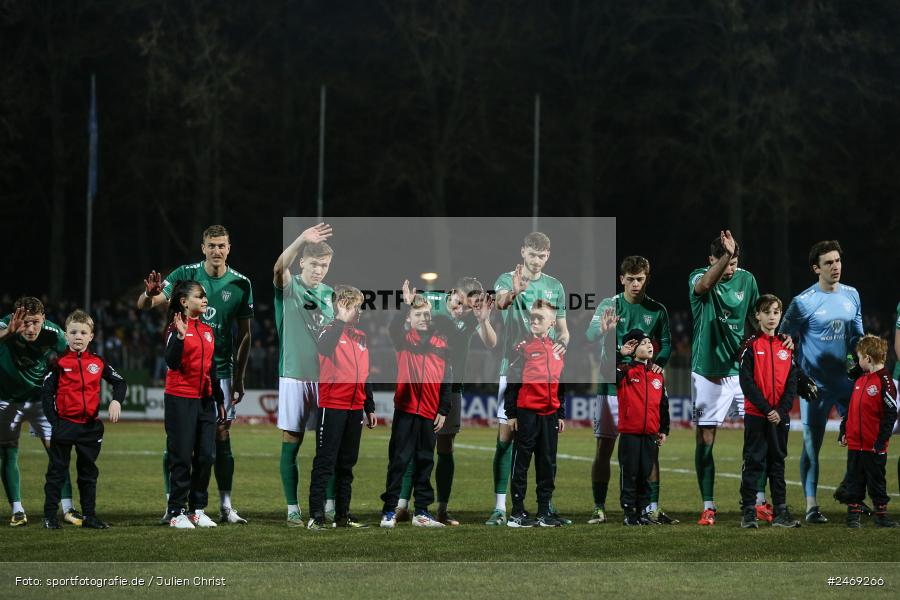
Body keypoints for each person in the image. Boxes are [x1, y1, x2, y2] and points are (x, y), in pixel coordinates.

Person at [138, 224, 253, 525]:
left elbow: (245, 334)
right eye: (211, 245)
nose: (217, 250)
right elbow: (149, 304)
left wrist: (239, 377)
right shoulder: (184, 275)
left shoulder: (241, 284)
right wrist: (148, 296)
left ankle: (224, 506)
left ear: (229, 248)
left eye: (222, 245)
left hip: (219, 372)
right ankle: (172, 505)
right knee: (178, 442)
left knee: (219, 439)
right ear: (203, 247)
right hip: (186, 371)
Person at [394, 277, 496, 526]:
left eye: (469, 304)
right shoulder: (433, 302)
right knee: (413, 444)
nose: (464, 308)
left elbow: (491, 343)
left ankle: (441, 509)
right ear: (452, 294)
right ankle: (401, 506)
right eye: (461, 302)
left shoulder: (473, 317)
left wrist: (484, 320)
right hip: (422, 383)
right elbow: (408, 324)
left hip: (451, 387)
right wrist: (407, 305)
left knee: (445, 446)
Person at [486, 232, 569, 527]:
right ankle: (501, 506)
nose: (537, 261)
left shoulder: (555, 286)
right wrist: (516, 292)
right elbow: (500, 304)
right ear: (523, 252)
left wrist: (562, 342)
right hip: (515, 369)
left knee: (546, 449)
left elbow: (563, 329)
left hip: (543, 375)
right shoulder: (507, 279)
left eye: (543, 256)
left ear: (548, 256)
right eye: (533, 255)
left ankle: (545, 506)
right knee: (507, 438)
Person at [585, 255, 674, 524]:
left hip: (644, 388)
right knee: (605, 447)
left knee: (651, 447)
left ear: (646, 279)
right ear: (621, 279)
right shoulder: (608, 305)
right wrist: (602, 333)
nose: (636, 284)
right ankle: (599, 507)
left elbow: (667, 342)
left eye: (640, 278)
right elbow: (589, 338)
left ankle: (651, 507)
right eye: (631, 279)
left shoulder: (657, 310)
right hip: (612, 386)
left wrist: (659, 363)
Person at [779, 240, 864, 523]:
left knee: (863, 440)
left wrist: (856, 362)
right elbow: (782, 342)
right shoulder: (803, 302)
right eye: (828, 263)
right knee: (811, 446)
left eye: (837, 261)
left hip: (846, 383)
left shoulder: (852, 296)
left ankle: (852, 494)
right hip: (814, 387)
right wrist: (798, 377)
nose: (835, 266)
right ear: (816, 268)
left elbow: (857, 339)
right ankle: (811, 506)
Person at [689, 230, 760, 526]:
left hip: (741, 371)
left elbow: (757, 319)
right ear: (712, 260)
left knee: (758, 435)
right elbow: (705, 285)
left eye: (734, 262)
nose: (731, 269)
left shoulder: (748, 280)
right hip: (707, 372)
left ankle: (758, 500)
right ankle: (708, 504)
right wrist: (725, 257)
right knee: (706, 437)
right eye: (725, 262)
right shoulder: (698, 276)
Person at [273, 223, 336, 526]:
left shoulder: (331, 294)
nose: (319, 270)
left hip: (326, 379)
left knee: (329, 444)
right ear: (302, 263)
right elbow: (277, 268)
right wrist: (300, 239)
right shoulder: (290, 286)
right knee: (292, 439)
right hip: (294, 375)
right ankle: (292, 509)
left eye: (324, 265)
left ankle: (330, 504)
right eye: (314, 264)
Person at [42, 310, 126, 529]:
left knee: (88, 474)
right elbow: (46, 394)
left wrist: (116, 401)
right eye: (73, 332)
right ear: (66, 336)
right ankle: (50, 516)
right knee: (56, 472)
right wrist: (55, 422)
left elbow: (120, 382)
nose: (78, 336)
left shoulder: (97, 362)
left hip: (90, 427)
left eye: (83, 332)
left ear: (91, 336)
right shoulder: (57, 363)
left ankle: (89, 516)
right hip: (65, 425)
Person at [0, 297, 78, 527]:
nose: (31, 328)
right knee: (8, 452)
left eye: (35, 322)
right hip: (6, 399)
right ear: (16, 318)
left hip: (39, 400)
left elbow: (74, 358)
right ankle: (17, 510)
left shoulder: (53, 332)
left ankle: (68, 508)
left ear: (43, 318)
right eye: (25, 323)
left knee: (58, 453)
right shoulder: (5, 324)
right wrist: (8, 332)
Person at [306, 286, 377, 530]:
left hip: (355, 407)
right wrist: (339, 320)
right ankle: (316, 516)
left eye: (359, 306)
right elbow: (324, 349)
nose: (359, 311)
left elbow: (364, 375)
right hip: (332, 405)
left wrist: (369, 405)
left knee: (347, 464)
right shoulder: (328, 330)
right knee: (325, 462)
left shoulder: (361, 336)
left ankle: (342, 516)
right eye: (356, 306)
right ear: (342, 305)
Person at [379, 292, 451, 529]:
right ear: (409, 318)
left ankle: (421, 512)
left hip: (430, 412)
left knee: (425, 461)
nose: (424, 318)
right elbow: (392, 325)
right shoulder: (402, 338)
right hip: (406, 409)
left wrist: (443, 408)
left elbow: (447, 378)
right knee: (398, 461)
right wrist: (407, 304)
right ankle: (389, 511)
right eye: (418, 314)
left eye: (427, 314)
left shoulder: (442, 341)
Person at [161, 281, 226, 529]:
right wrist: (179, 335)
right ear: (184, 302)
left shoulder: (208, 330)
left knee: (206, 456)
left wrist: (219, 399)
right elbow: (171, 362)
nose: (205, 299)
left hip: (205, 400)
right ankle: (176, 511)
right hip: (180, 399)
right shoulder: (174, 329)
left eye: (205, 295)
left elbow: (211, 368)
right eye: (199, 296)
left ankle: (197, 509)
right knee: (181, 456)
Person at [737, 295, 801, 529]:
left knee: (777, 463)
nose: (772, 316)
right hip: (757, 414)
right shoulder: (750, 345)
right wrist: (767, 409)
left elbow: (792, 382)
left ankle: (781, 511)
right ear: (758, 315)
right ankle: (748, 511)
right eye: (767, 312)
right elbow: (746, 382)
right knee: (753, 461)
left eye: (776, 312)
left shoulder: (787, 346)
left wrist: (781, 410)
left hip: (779, 416)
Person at [505, 299, 566, 528]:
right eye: (533, 317)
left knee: (547, 464)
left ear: (551, 322)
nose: (535, 320)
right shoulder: (522, 348)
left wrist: (560, 413)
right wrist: (511, 413)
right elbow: (513, 384)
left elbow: (561, 385)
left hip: (550, 415)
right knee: (521, 464)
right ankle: (517, 513)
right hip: (527, 413)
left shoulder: (558, 350)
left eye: (540, 317)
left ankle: (544, 512)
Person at [839, 335, 898, 528]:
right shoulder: (860, 379)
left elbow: (890, 414)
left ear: (868, 359)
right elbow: (852, 409)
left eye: (859, 358)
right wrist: (843, 430)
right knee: (854, 480)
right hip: (856, 443)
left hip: (874, 445)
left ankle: (881, 515)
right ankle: (853, 515)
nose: (857, 362)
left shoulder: (885, 381)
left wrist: (881, 441)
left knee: (876, 481)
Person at [615, 329, 670, 526]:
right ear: (633, 348)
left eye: (650, 342)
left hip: (650, 434)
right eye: (643, 342)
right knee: (629, 473)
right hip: (630, 433)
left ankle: (642, 511)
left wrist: (664, 429)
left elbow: (663, 404)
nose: (649, 345)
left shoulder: (657, 374)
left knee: (645, 473)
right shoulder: (623, 370)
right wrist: (620, 355)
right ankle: (629, 511)